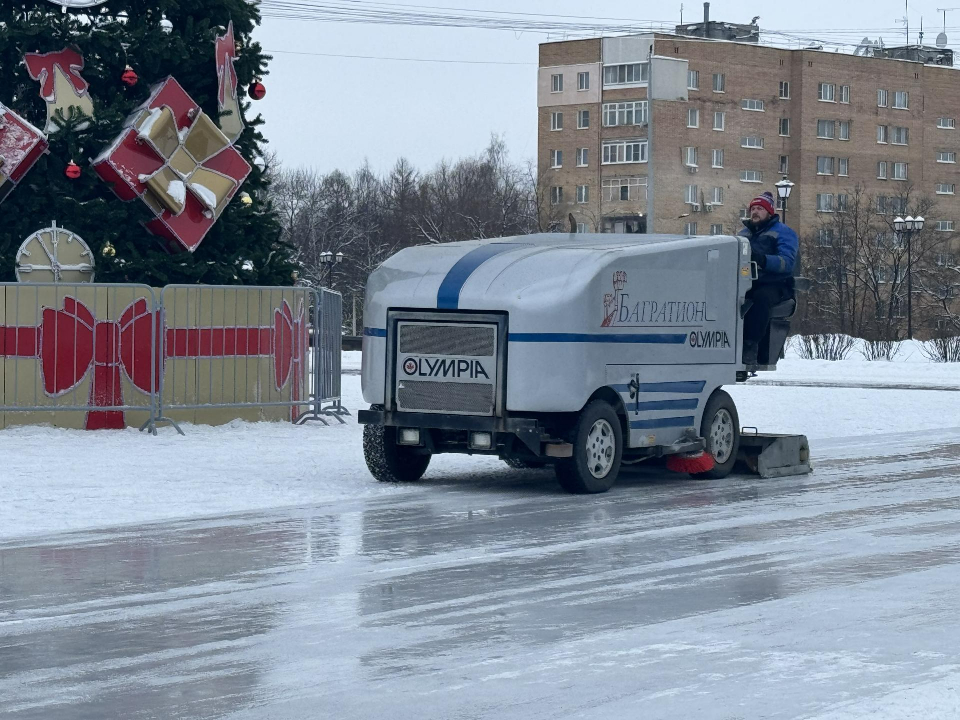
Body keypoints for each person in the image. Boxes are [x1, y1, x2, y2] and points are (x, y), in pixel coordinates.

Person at [738, 191, 798, 365]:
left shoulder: (784, 233)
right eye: (753, 209)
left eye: (760, 208)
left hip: (776, 284)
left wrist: (763, 260)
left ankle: (750, 347)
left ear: (769, 212)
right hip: (746, 282)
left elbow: (787, 262)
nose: (755, 212)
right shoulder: (744, 234)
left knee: (760, 299)